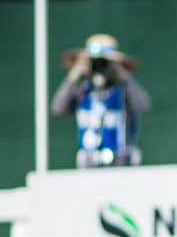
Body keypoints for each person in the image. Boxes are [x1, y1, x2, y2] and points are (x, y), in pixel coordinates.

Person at [51, 33, 152, 167]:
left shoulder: (123, 90)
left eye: (104, 62)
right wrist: (75, 74)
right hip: (89, 162)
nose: (100, 66)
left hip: (121, 162)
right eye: (95, 62)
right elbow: (58, 109)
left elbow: (143, 105)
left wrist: (122, 74)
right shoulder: (83, 91)